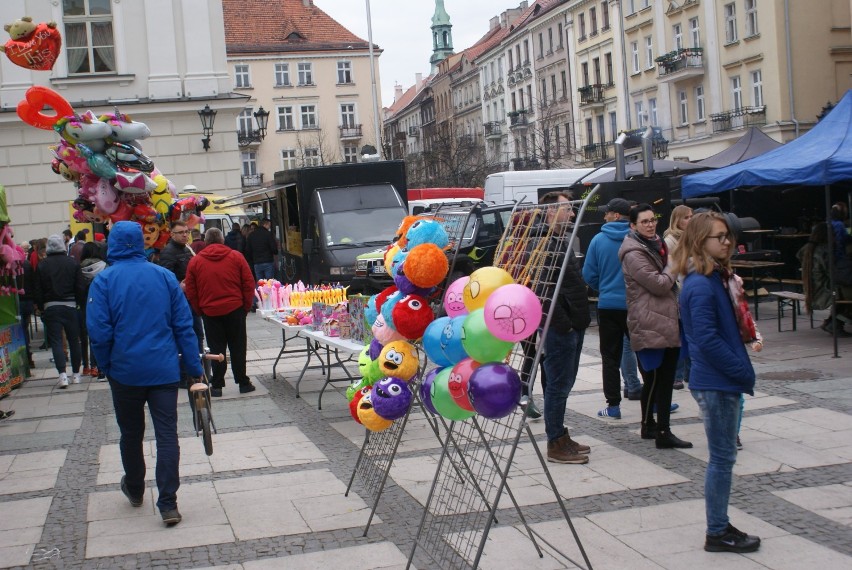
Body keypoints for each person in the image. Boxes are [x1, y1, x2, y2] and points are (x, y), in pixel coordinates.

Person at [87, 221, 202, 527]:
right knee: (167, 436)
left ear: (113, 244)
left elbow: (98, 331)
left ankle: (136, 487)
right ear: (141, 243)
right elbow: (184, 327)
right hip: (163, 370)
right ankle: (168, 502)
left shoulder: (104, 281)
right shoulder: (164, 277)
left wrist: (107, 365)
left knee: (131, 433)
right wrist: (194, 369)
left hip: (125, 372)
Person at [674, 211, 762, 553]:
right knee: (722, 460)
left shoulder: (712, 278)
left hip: (720, 379)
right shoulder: (699, 284)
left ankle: (720, 524)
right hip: (716, 381)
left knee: (723, 458)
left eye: (728, 236)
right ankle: (717, 530)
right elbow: (706, 340)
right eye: (719, 237)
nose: (727, 242)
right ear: (700, 241)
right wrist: (740, 372)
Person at [619, 204, 691, 449]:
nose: (650, 224)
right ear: (633, 226)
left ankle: (650, 426)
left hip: (664, 318)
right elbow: (659, 284)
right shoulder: (633, 252)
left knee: (658, 377)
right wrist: (673, 266)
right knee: (658, 377)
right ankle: (662, 431)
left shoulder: (657, 245)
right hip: (650, 320)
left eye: (652, 220)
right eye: (644, 222)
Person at [537, 192, 592, 464]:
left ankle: (560, 435)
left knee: (564, 384)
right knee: (558, 385)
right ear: (550, 211)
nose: (571, 215)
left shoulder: (558, 240)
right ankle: (555, 442)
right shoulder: (542, 243)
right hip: (562, 328)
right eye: (566, 210)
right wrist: (565, 325)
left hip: (573, 323)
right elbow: (543, 292)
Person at [184, 228, 256, 397]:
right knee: (238, 346)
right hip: (235, 308)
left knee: (216, 350)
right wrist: (245, 306)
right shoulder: (236, 257)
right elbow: (248, 283)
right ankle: (243, 382)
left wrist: (199, 309)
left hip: (210, 311)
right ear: (222, 240)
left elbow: (191, 290)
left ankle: (216, 385)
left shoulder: (196, 262)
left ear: (206, 241)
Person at [582, 197, 632, 419]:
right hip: (635, 304)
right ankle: (656, 401)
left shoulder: (598, 240)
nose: (604, 216)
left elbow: (588, 274)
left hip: (609, 305)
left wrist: (603, 287)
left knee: (610, 357)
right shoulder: (636, 237)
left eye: (607, 212)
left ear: (616, 215)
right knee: (646, 352)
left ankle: (613, 406)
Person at [34, 234, 85, 388]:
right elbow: (80, 286)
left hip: (51, 306)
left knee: (56, 341)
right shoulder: (72, 263)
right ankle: (76, 374)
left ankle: (62, 375)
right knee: (74, 340)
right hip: (70, 305)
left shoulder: (43, 265)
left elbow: (38, 289)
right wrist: (79, 303)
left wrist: (41, 306)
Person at [158, 222, 205, 380]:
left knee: (197, 334)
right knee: (185, 335)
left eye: (186, 232)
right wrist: (180, 286)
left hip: (192, 299)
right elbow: (166, 281)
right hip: (180, 301)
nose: (185, 235)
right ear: (172, 234)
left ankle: (197, 368)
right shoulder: (168, 252)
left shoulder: (187, 248)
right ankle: (185, 374)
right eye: (181, 232)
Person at [797, 222, 851, 335]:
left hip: (815, 289)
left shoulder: (808, 249)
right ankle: (836, 322)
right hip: (825, 290)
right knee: (848, 294)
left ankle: (832, 322)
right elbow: (835, 275)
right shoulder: (824, 252)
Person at [664, 205, 694, 390]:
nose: (690, 220)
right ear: (677, 220)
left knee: (690, 333)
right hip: (679, 292)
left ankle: (691, 373)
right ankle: (677, 376)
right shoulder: (670, 240)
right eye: (686, 217)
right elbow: (671, 268)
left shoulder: (692, 237)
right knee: (679, 336)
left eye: (691, 216)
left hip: (691, 291)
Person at [80, 242, 108, 380]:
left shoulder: (79, 268)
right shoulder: (104, 266)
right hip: (102, 303)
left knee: (89, 336)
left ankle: (91, 366)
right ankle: (102, 367)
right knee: (103, 333)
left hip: (85, 304)